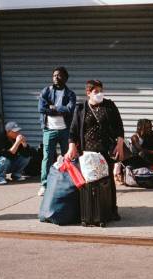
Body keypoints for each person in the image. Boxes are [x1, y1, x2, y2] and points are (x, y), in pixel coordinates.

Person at [67, 79, 123, 220]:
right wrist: (71, 146)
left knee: (107, 180)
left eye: (101, 91)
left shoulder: (109, 106)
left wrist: (120, 144)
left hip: (105, 150)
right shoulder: (81, 109)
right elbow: (73, 130)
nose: (99, 94)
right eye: (96, 91)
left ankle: (111, 210)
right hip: (87, 152)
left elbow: (119, 126)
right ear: (88, 93)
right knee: (89, 180)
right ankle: (91, 211)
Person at [37, 66, 76, 196]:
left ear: (65, 78)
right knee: (47, 158)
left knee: (68, 157)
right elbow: (41, 109)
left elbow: (70, 109)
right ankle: (44, 185)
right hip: (49, 130)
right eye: (54, 75)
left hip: (65, 130)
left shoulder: (70, 94)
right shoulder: (46, 91)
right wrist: (59, 109)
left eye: (58, 75)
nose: (56, 78)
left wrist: (53, 107)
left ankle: (69, 183)